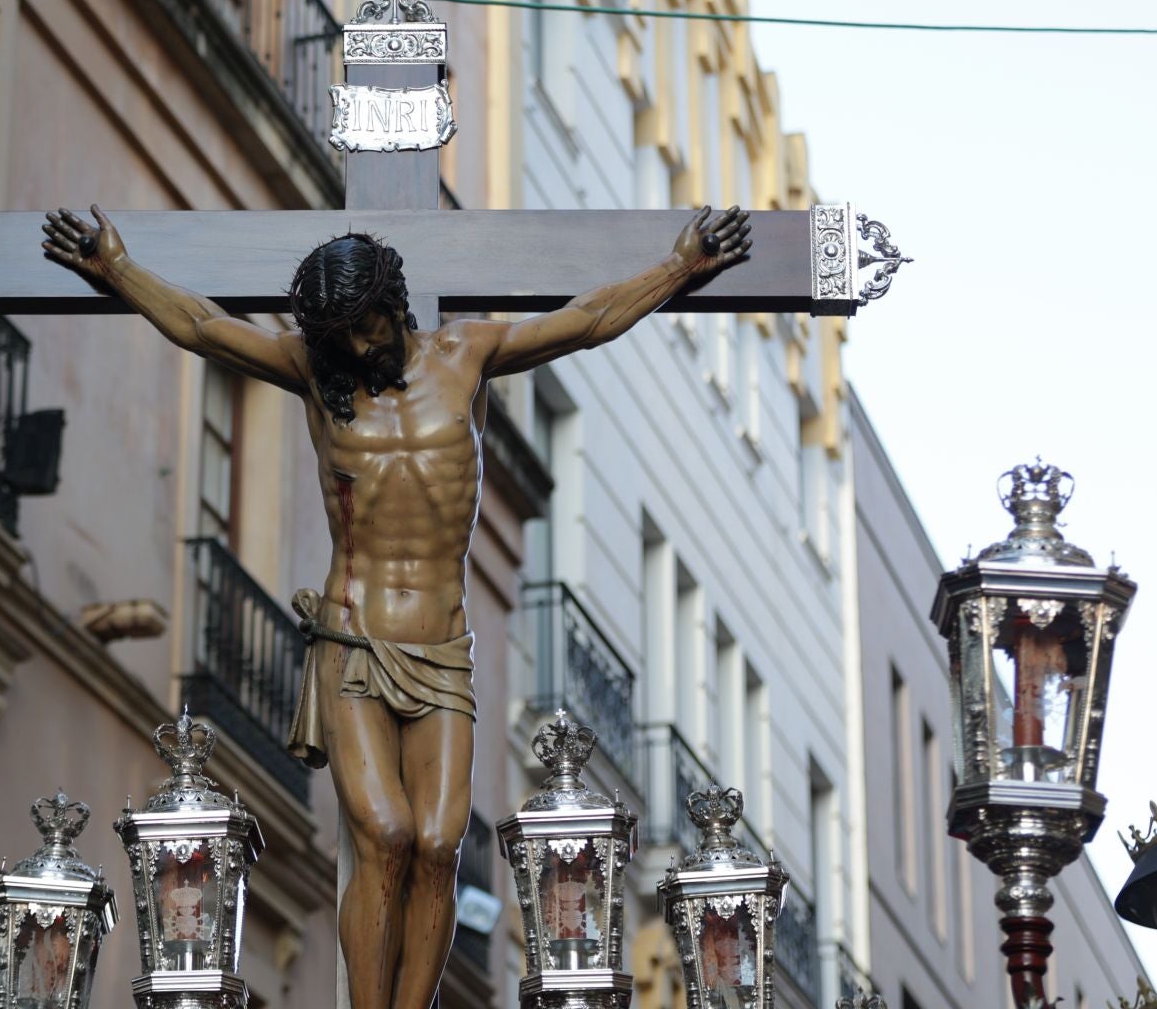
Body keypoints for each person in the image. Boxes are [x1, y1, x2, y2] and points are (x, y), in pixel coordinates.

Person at [42, 203, 751, 1009]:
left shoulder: (468, 354)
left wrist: (680, 267)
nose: (356, 347)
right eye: (338, 334)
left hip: (443, 645)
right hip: (354, 637)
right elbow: (205, 327)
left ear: (395, 301)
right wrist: (118, 268)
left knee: (441, 842)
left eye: (366, 325)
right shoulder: (318, 374)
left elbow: (585, 321)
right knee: (383, 833)